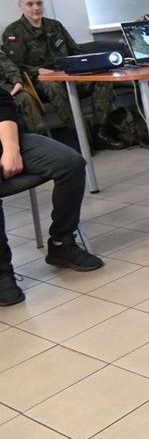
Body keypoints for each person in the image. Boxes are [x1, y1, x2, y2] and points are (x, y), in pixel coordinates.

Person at [0, 89, 104, 305]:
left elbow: (2, 103)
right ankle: (2, 273)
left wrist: (11, 149)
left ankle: (61, 242)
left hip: (7, 138)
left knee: (70, 164)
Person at [2, 0, 126, 150]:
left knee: (102, 80)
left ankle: (100, 132)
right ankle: (78, 135)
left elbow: (76, 51)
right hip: (40, 81)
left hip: (66, 74)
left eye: (39, 3)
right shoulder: (14, 32)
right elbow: (14, 65)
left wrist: (88, 66)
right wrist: (37, 70)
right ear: (21, 6)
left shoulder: (55, 26)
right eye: (30, 4)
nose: (36, 8)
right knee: (53, 85)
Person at [0, 50, 45, 134]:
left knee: (24, 97)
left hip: (3, 89)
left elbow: (8, 67)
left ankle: (38, 137)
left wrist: (17, 83)